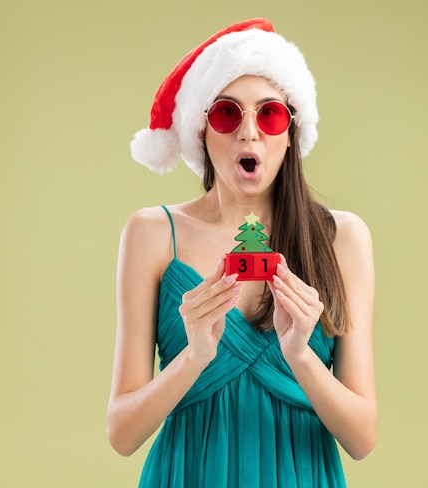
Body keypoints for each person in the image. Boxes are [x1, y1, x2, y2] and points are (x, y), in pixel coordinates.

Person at [107, 18, 377, 487]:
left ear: (291, 132)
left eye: (269, 114)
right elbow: (122, 433)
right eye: (227, 114)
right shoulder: (152, 233)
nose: (249, 132)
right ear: (201, 131)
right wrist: (194, 356)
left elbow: (362, 438)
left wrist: (302, 357)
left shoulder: (342, 238)